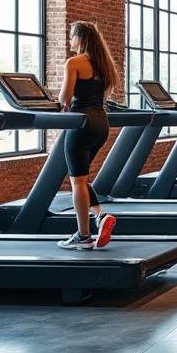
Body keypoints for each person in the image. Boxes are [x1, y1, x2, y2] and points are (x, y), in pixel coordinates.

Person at [56, 21, 118, 250]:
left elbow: (64, 98)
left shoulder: (74, 62)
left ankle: (84, 237)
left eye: (71, 36)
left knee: (77, 180)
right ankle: (100, 215)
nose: (69, 40)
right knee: (80, 178)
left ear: (80, 38)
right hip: (101, 124)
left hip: (81, 123)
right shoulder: (104, 65)